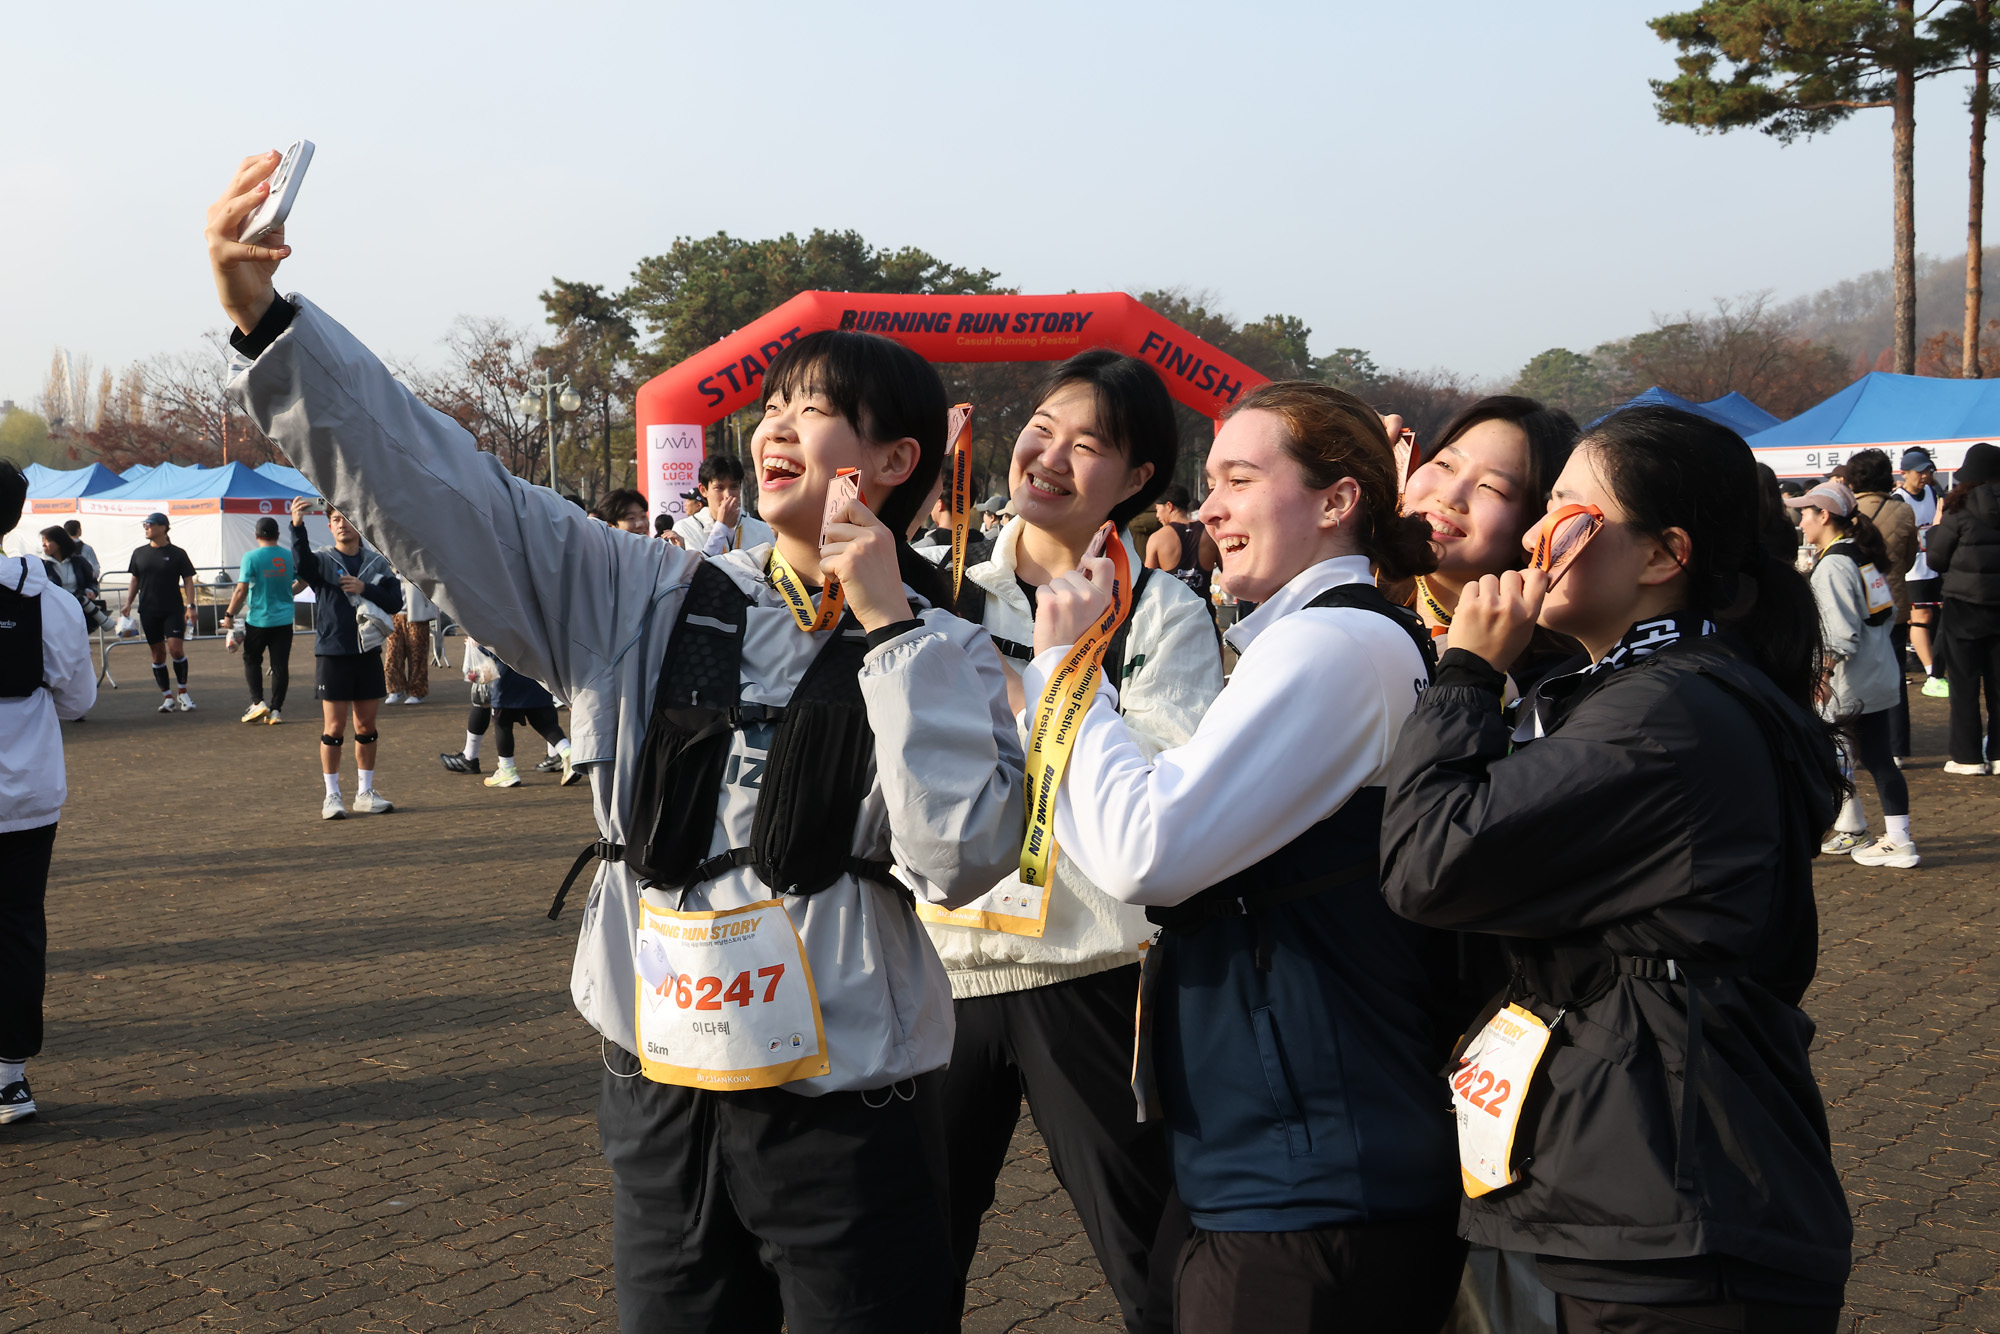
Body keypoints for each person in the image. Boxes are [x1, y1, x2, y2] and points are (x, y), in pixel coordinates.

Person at [209, 146, 1024, 1333]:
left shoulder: (947, 646)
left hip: (845, 1107)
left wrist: (890, 625)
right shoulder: (645, 589)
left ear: (894, 461)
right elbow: (446, 489)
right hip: (659, 1095)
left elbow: (959, 859)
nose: (779, 426)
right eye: (774, 403)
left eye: (820, 409)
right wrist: (268, 326)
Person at [1378, 406, 1852, 1333]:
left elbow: (1430, 861)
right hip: (1617, 1184)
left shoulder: (1666, 716)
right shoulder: (1646, 693)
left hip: (1664, 1209)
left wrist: (1468, 674)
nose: (1535, 538)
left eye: (1571, 512)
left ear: (1663, 555)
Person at [1023, 380, 1460, 1331]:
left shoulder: (1335, 646)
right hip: (1267, 1155)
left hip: (1314, 1176)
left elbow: (1146, 850)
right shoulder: (1304, 640)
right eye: (1208, 481)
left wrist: (1063, 675)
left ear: (1339, 500)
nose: (1208, 507)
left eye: (1240, 478)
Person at [925, 351, 1224, 1333]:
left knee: (1151, 1258)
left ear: (1135, 480)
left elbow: (1162, 781)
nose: (1048, 457)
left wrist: (1020, 685)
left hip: (1089, 968)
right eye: (1043, 428)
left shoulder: (1160, 612)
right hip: (942, 967)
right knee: (902, 1257)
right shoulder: (936, 595)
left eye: (1086, 445)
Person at [0, 461, 97, 1125]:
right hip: (24, 793)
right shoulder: (47, 598)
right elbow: (78, 698)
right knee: (16, 931)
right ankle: (10, 1079)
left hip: (28, 795)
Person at [1398, 396, 1581, 692]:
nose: (1450, 496)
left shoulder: (1548, 686)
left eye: (1491, 487)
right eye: (1445, 463)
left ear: (1535, 528)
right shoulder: (1354, 588)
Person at [1787, 480, 1919, 866]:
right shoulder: (1859, 554)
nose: (1800, 521)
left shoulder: (1833, 564)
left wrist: (1821, 675)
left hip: (1849, 680)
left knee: (1857, 756)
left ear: (1824, 515)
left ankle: (1891, 838)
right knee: (1861, 754)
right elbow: (1886, 613)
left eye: (1806, 512)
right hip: (1878, 672)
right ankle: (1863, 828)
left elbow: (1840, 633)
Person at [289, 496, 402, 819]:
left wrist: (364, 588)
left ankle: (365, 792)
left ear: (358, 524)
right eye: (336, 519)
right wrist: (297, 526)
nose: (341, 523)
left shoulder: (375, 563)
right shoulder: (324, 560)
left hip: (366, 652)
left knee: (366, 725)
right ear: (329, 525)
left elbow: (394, 601)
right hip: (333, 652)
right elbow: (303, 566)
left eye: (346, 518)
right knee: (334, 728)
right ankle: (332, 795)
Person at [1928, 440, 2000, 774]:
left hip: (1963, 605)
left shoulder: (1957, 510)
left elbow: (1937, 558)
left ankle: (1967, 757)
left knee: (1964, 684)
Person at [1846, 449, 1920, 761]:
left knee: (1853, 675)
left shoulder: (1844, 511)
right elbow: (1908, 560)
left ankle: (1856, 746)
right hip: (1892, 602)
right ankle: (1896, 747)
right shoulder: (1904, 512)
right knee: (1895, 676)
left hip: (1853, 603)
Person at [219, 516, 296, 724]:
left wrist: (229, 615)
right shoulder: (289, 556)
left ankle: (258, 702)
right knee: (280, 665)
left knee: (252, 659)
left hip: (259, 619)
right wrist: (289, 592)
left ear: (256, 535)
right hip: (284, 620)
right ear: (278, 535)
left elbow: (241, 589)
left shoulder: (250, 557)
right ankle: (276, 710)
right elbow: (305, 579)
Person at [119, 511, 199, 713]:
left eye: (150, 524)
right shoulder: (139, 553)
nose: (146, 527)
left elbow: (188, 580)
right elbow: (135, 580)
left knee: (176, 650)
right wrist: (128, 603)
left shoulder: (178, 553)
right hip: (148, 610)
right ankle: (167, 697)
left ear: (163, 527)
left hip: (173, 609)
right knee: (157, 655)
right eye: (144, 524)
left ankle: (183, 692)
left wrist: (191, 606)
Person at [480, 657, 579, 789]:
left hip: (505, 678)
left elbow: (490, 646)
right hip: (537, 675)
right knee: (544, 723)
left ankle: (507, 770)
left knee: (502, 724)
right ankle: (568, 754)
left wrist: (477, 645)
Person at [1899, 447, 1949, 697]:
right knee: (1922, 617)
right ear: (1904, 473)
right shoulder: (1899, 499)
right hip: (1912, 569)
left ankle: (1939, 668)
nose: (1924, 476)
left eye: (1927, 471)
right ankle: (1932, 674)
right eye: (1919, 472)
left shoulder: (1933, 491)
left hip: (1934, 564)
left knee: (1940, 615)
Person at [674, 454, 776, 554]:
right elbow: (697, 569)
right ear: (703, 490)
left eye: (734, 487)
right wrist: (721, 528)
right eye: (719, 488)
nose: (727, 495)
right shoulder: (686, 529)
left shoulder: (761, 530)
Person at [1143, 483, 1220, 607]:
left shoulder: (1158, 538)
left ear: (1169, 506)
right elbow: (1227, 571)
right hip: (1204, 615)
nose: (1157, 516)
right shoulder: (1210, 534)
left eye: (1157, 509)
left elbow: (1147, 584)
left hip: (1173, 617)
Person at [382, 571, 436, 705]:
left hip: (417, 615)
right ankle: (395, 688)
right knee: (393, 653)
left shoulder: (416, 565)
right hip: (395, 615)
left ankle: (417, 691)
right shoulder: (389, 568)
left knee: (417, 653)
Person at [39, 527, 103, 623]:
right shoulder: (40, 564)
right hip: (52, 614)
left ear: (59, 543)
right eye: (42, 540)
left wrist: (92, 591)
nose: (43, 544)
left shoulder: (79, 562)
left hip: (78, 611)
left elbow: (92, 582)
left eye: (47, 540)